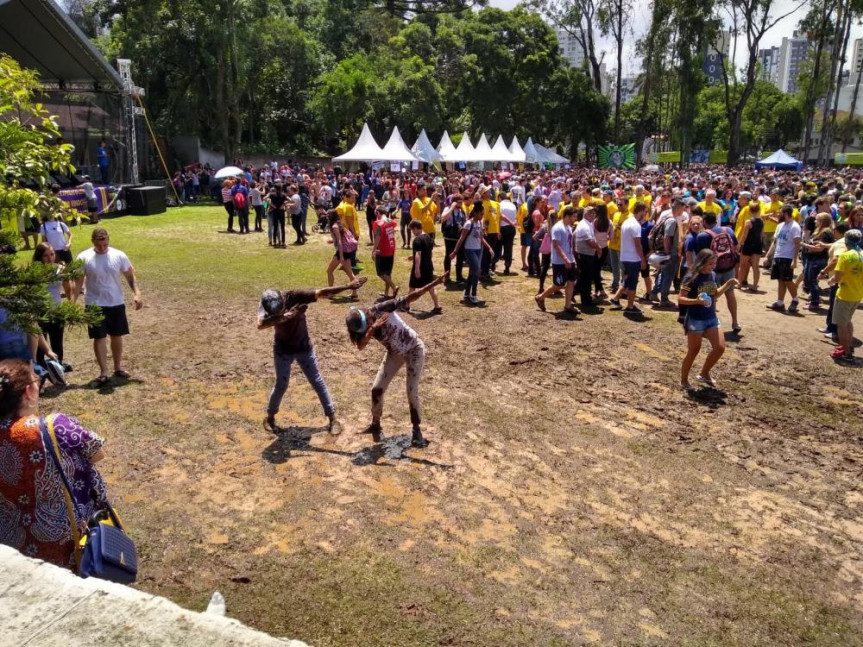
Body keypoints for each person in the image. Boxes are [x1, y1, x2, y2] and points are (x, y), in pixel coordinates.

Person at [0, 358, 109, 570]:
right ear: (30, 391)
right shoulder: (55, 426)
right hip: (70, 540)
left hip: (11, 543)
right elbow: (97, 454)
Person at [346, 273, 448, 448]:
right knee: (376, 389)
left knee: (411, 391)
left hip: (413, 349)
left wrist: (434, 283)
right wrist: (373, 329)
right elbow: (360, 346)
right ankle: (376, 424)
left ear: (366, 315)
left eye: (369, 324)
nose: (368, 328)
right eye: (366, 329)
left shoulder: (382, 308)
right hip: (394, 353)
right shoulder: (364, 327)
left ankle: (417, 431)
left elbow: (411, 297)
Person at [257, 277, 367, 433]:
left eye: (282, 309)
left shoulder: (295, 296)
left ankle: (332, 419)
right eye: (277, 313)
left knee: (317, 381)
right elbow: (260, 325)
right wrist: (288, 316)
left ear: (282, 299)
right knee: (281, 385)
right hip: (282, 349)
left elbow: (322, 292)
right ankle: (270, 417)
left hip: (303, 347)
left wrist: (347, 287)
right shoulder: (265, 303)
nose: (280, 313)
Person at [72, 228, 143, 384]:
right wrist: (72, 302)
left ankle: (118, 367)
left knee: (117, 336)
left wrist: (137, 293)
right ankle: (104, 371)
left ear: (108, 240)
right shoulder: (84, 257)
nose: (102, 248)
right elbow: (77, 282)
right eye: (99, 245)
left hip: (115, 301)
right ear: (93, 242)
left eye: (104, 244)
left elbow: (130, 276)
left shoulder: (119, 255)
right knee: (99, 337)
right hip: (94, 303)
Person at [677, 249, 739, 390]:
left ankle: (704, 373)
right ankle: (684, 380)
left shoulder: (712, 275)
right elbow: (680, 299)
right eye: (710, 263)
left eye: (714, 263)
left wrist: (728, 284)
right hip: (695, 319)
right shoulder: (691, 277)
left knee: (720, 348)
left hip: (711, 317)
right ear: (702, 263)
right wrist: (696, 301)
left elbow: (715, 295)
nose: (713, 266)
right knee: (694, 350)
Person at [694, 211, 741, 332]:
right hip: (729, 267)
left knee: (712, 296)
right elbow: (736, 247)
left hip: (712, 270)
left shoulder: (702, 236)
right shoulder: (728, 230)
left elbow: (700, 255)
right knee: (730, 294)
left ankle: (711, 322)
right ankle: (735, 322)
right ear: (716, 220)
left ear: (704, 222)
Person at [33, 243, 71, 372]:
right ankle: (41, 372)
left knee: (57, 343)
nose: (50, 258)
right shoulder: (34, 272)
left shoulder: (60, 269)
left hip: (56, 311)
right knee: (39, 347)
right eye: (45, 256)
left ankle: (58, 369)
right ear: (39, 257)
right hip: (40, 313)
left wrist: (70, 303)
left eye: (52, 254)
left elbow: (67, 287)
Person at [827, 229, 863, 363]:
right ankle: (850, 347)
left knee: (841, 325)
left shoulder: (845, 256)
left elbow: (837, 277)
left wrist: (830, 281)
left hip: (844, 294)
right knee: (848, 321)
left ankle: (846, 353)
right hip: (857, 294)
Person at [535, 206, 578, 315]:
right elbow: (556, 245)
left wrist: (572, 258)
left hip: (570, 260)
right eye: (574, 216)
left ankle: (568, 306)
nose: (575, 218)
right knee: (558, 285)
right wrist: (565, 259)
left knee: (571, 282)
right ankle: (540, 297)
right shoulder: (558, 228)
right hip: (560, 262)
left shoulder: (568, 227)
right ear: (567, 216)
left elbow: (569, 244)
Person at [451, 201, 495, 304]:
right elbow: (461, 239)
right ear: (475, 213)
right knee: (477, 270)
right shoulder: (468, 224)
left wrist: (489, 248)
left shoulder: (479, 223)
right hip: (469, 250)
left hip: (478, 249)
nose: (482, 216)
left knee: (473, 271)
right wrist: (455, 252)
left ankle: (467, 294)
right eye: (481, 214)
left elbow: (481, 238)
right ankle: (474, 294)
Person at [765, 205, 802, 312]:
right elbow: (775, 241)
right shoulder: (780, 225)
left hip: (788, 257)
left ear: (785, 213)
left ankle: (795, 299)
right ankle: (780, 302)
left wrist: (794, 260)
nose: (777, 215)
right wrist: (768, 255)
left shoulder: (795, 227)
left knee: (787, 280)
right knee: (780, 280)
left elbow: (797, 244)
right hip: (778, 255)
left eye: (780, 213)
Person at [801, 213, 834, 310]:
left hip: (818, 259)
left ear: (822, 221)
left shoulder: (825, 232)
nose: (815, 221)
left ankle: (815, 301)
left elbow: (820, 248)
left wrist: (804, 245)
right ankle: (815, 298)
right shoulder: (819, 230)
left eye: (817, 220)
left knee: (812, 280)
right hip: (812, 258)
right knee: (808, 280)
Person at [408, 220, 442, 314]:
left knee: (412, 287)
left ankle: (406, 306)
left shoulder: (417, 240)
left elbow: (418, 254)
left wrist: (417, 269)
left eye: (412, 230)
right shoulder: (428, 237)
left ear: (415, 228)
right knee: (431, 286)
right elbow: (427, 251)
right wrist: (413, 256)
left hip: (420, 266)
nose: (412, 233)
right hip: (428, 266)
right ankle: (437, 306)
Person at [325, 211, 360, 299]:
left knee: (329, 271)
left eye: (327, 215)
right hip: (347, 251)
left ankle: (330, 292)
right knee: (349, 273)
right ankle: (354, 292)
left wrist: (341, 256)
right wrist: (332, 241)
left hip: (342, 252)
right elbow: (342, 238)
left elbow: (340, 242)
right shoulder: (339, 223)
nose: (326, 217)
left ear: (331, 217)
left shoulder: (334, 226)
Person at [574, 206, 601, 307]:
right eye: (591, 214)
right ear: (586, 214)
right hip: (585, 254)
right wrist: (598, 248)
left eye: (594, 214)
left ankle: (574, 292)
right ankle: (586, 300)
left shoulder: (588, 224)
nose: (594, 215)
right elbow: (589, 241)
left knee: (584, 277)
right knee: (586, 278)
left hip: (587, 254)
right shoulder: (584, 225)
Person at [39, 186, 73, 264]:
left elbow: (70, 234)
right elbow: (43, 241)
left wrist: (69, 243)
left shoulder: (60, 223)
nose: (52, 214)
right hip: (53, 252)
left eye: (53, 212)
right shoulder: (43, 226)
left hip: (64, 250)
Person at [372, 206, 398, 298]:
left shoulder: (379, 223)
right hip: (391, 249)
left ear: (378, 213)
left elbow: (377, 237)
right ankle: (386, 293)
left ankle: (394, 287)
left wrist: (373, 250)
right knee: (388, 272)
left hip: (382, 250)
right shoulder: (390, 221)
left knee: (380, 273)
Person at [736, 201, 764, 291]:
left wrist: (739, 244)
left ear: (750, 210)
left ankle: (739, 284)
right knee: (755, 266)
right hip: (757, 244)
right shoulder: (761, 221)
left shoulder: (749, 221)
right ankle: (755, 286)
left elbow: (744, 236)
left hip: (748, 245)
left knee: (742, 265)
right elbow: (761, 235)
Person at [441, 193, 466, 283]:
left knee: (460, 257)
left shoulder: (462, 211)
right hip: (449, 237)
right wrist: (451, 208)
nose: (460, 204)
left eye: (461, 202)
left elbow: (465, 222)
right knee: (448, 255)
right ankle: (447, 276)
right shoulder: (448, 209)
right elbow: (443, 218)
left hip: (459, 237)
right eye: (458, 202)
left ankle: (459, 276)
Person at [498, 192, 518, 274]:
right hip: (511, 227)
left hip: (502, 227)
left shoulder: (499, 205)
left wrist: (498, 230)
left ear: (499, 198)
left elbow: (499, 218)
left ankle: (493, 263)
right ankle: (507, 266)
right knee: (508, 248)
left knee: (498, 246)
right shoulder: (513, 205)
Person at [268, 183, 287, 248]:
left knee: (275, 227)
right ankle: (283, 242)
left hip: (275, 212)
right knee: (282, 228)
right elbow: (290, 200)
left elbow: (267, 200)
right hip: (281, 212)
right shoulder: (283, 195)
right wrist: (283, 204)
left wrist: (273, 206)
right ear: (281, 188)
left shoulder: (272, 195)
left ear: (275, 189)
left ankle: (274, 242)